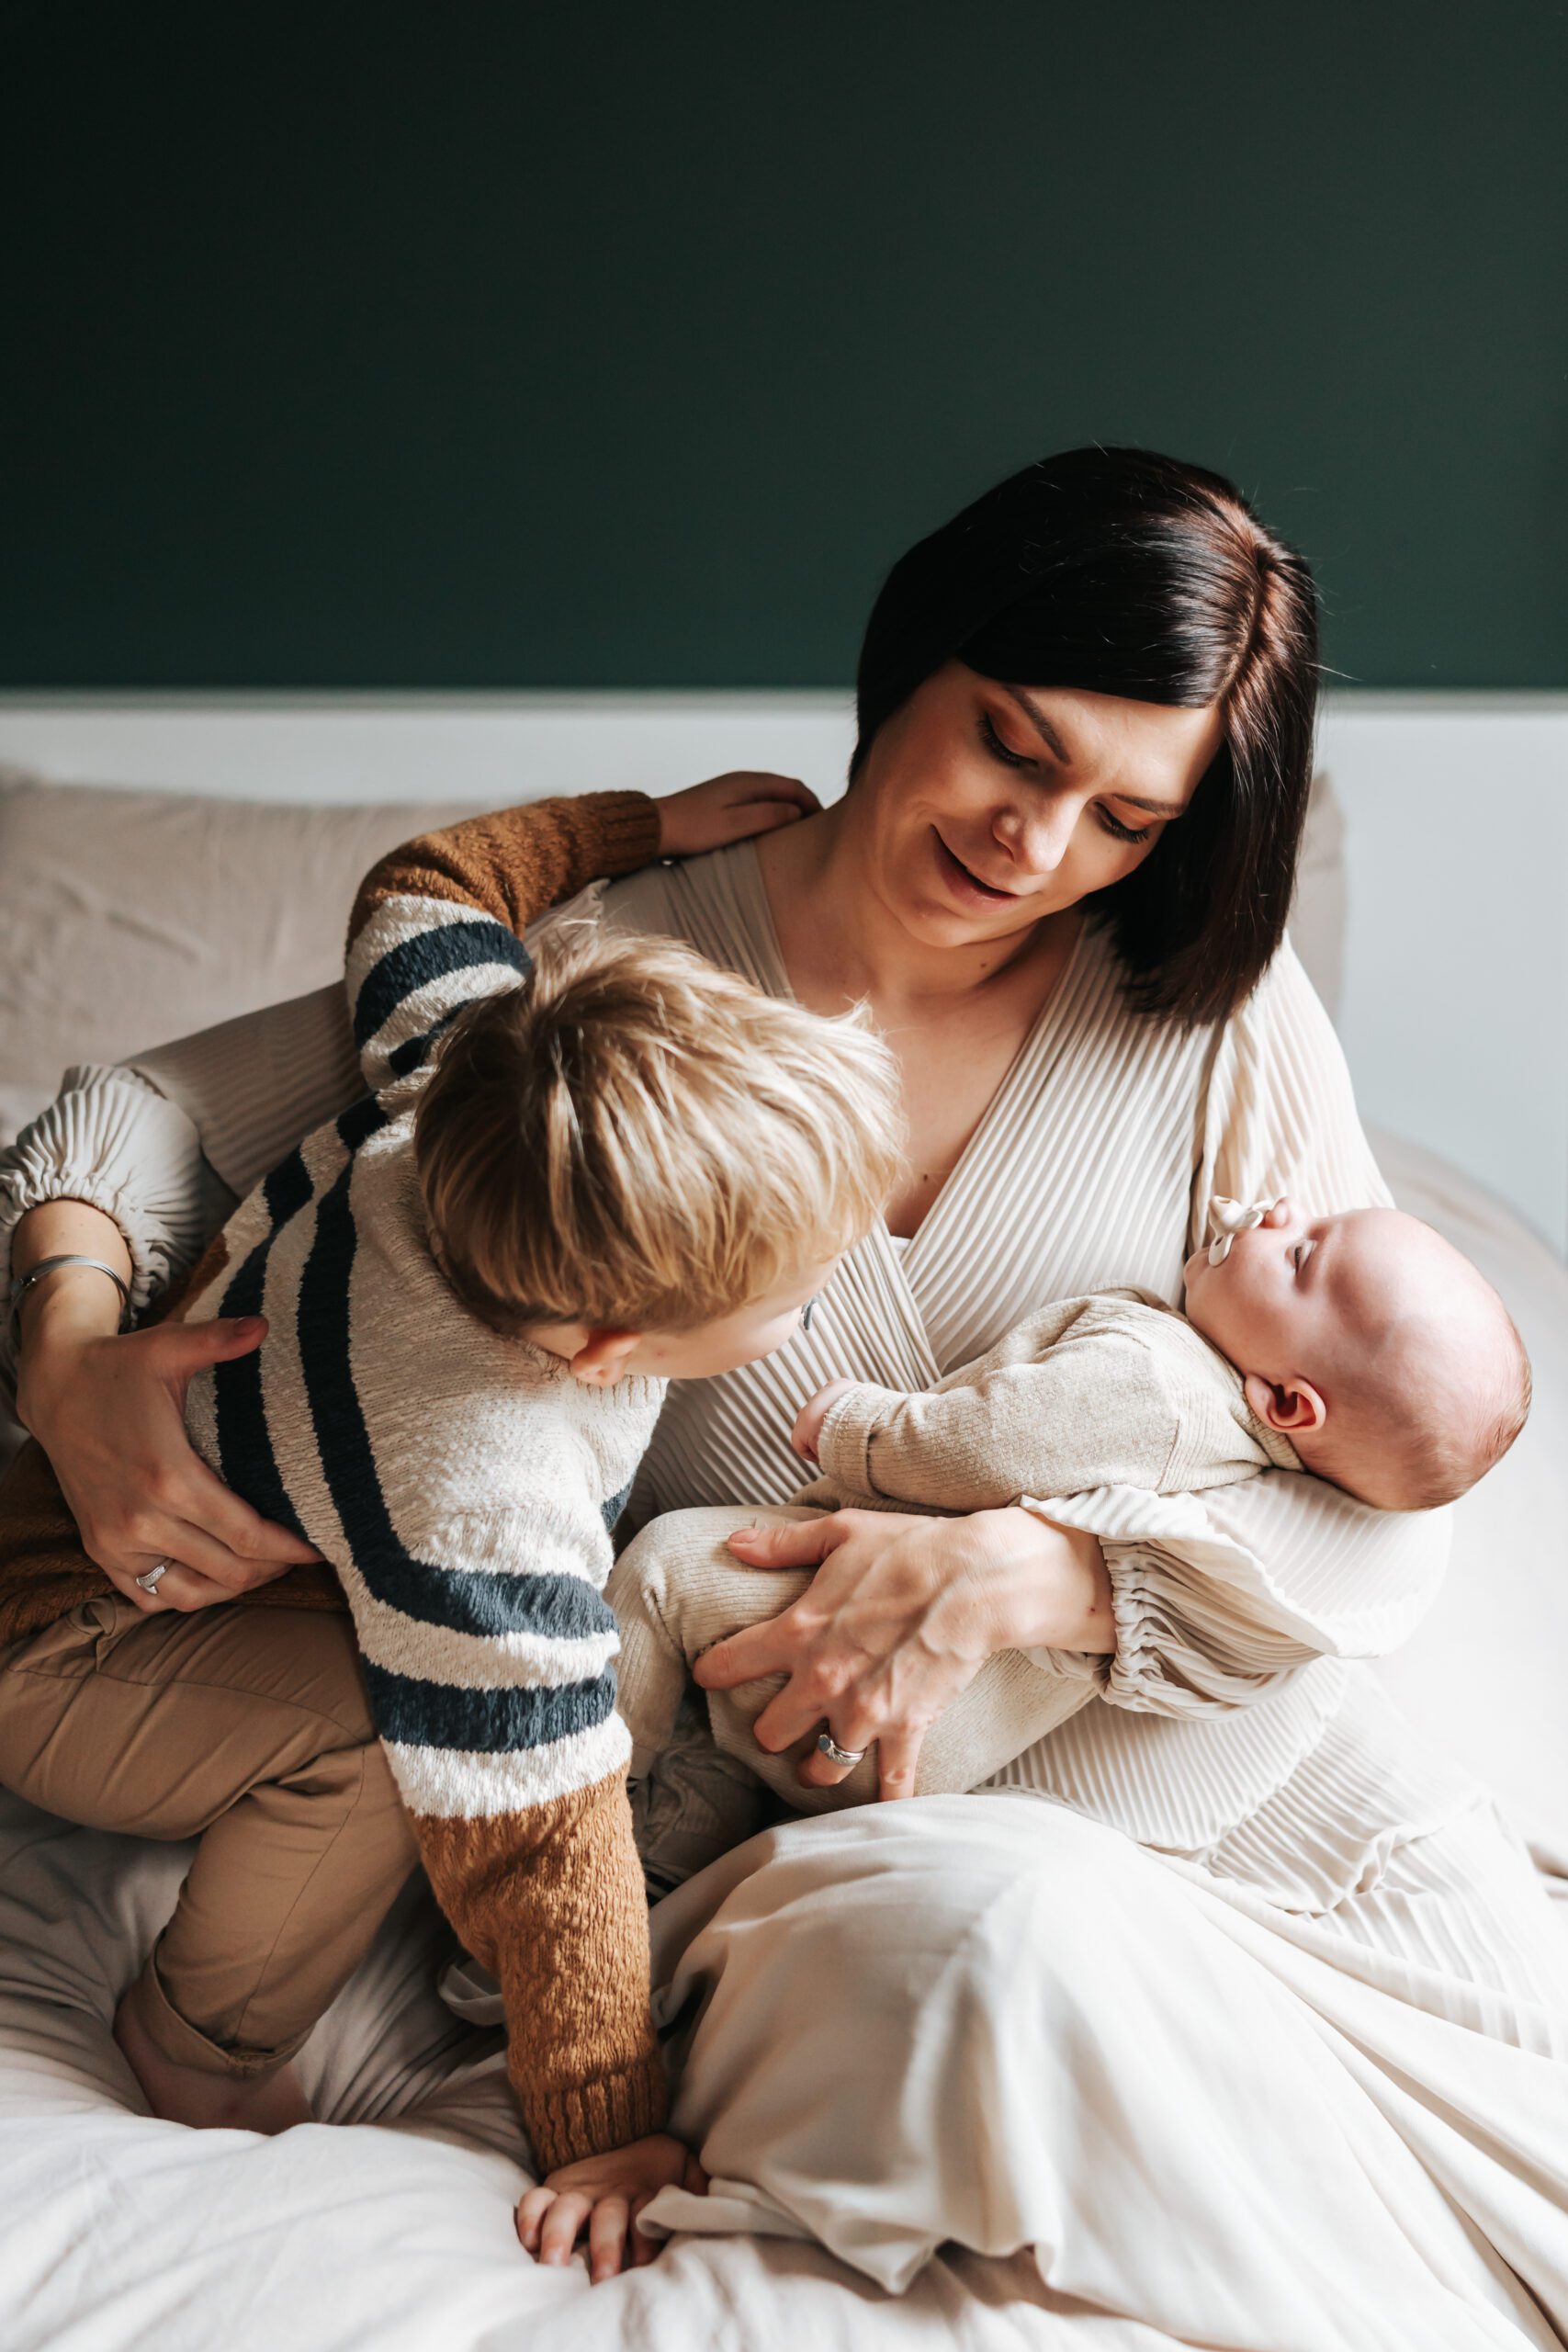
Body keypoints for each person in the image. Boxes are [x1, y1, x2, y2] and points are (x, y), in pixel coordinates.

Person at [3, 447, 1564, 2337]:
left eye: (1121, 820)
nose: (1037, 845)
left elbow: (1397, 1504)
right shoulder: (611, 980)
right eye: (1009, 742)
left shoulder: (1209, 1015)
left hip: (1277, 1788)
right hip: (879, 1858)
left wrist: (1039, 1575)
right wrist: (72, 1352)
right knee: (1024, 1981)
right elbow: (138, 1114)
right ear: (913, 653)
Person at [603, 1192, 1531, 1894]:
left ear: (1290, 1403)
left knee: (660, 1573)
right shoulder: (1248, 1436)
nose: (1278, 1208)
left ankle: (575, 1832)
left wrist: (859, 1430)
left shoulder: (1161, 1384)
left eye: (1299, 1252)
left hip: (868, 1658)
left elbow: (991, 1444)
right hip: (928, 1754)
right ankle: (658, 1859)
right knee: (715, 1760)